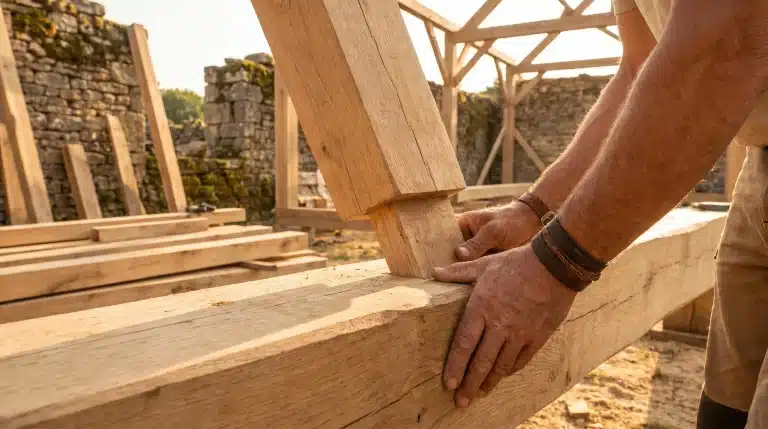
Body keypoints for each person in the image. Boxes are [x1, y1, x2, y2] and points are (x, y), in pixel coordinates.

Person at [431, 1, 768, 428]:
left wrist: (557, 262)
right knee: (729, 398)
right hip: (760, 161)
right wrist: (533, 209)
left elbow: (727, 44)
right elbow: (639, 68)